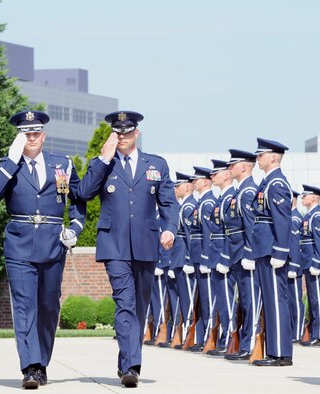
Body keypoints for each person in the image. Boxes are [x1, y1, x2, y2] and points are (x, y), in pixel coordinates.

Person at [0, 110, 86, 389]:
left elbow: (78, 200)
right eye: (25, 133)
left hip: (53, 243)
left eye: (36, 133)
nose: (31, 137)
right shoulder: (7, 165)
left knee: (49, 306)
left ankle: (42, 362)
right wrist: (12, 159)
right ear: (18, 137)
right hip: (19, 244)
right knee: (24, 306)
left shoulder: (61, 164)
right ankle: (30, 366)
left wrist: (74, 228)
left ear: (44, 135)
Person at [77, 111, 178, 388]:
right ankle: (132, 366)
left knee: (139, 307)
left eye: (127, 132)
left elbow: (169, 203)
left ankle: (126, 363)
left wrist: (169, 228)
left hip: (146, 243)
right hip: (114, 245)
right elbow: (84, 193)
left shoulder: (156, 164)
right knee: (125, 303)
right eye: (117, 132)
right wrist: (102, 159)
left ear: (137, 133)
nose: (121, 137)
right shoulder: (104, 164)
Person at [251, 138, 293, 366]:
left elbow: (282, 220)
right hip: (263, 248)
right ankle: (274, 350)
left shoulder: (276, 183)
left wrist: (280, 251)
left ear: (274, 157)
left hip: (271, 250)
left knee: (277, 300)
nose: (258, 158)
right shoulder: (267, 182)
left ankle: (281, 353)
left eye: (261, 155)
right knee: (270, 300)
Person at [221, 149, 259, 361]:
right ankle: (245, 341)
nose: (229, 168)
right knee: (244, 300)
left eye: (232, 165)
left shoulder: (247, 191)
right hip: (237, 254)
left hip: (245, 254)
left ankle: (251, 343)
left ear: (243, 166)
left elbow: (251, 226)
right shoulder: (240, 191)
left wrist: (250, 254)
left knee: (250, 300)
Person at [205, 159, 237, 356]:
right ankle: (226, 336)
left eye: (216, 173)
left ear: (226, 175)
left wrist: (225, 258)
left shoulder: (230, 198)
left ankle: (231, 338)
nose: (212, 177)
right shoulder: (221, 198)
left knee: (228, 301)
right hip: (216, 257)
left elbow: (230, 233)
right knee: (222, 301)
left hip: (225, 258)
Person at [187, 166, 216, 352]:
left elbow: (209, 233)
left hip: (205, 257)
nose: (193, 183)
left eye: (196, 180)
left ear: (205, 181)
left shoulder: (207, 202)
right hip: (198, 257)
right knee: (202, 300)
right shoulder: (202, 202)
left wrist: (205, 258)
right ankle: (204, 335)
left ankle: (208, 336)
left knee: (208, 299)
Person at [169, 172, 197, 350]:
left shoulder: (188, 207)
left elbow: (189, 237)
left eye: (177, 186)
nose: (174, 189)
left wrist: (187, 260)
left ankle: (190, 334)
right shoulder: (183, 206)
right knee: (183, 298)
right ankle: (186, 333)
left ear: (186, 187)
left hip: (184, 260)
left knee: (188, 300)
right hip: (178, 259)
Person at [299, 185, 320, 347]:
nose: (303, 198)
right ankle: (315, 332)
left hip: (314, 263)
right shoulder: (309, 215)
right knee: (312, 298)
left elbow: (319, 241)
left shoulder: (317, 216)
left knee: (317, 299)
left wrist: (316, 262)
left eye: (306, 196)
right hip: (307, 262)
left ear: (314, 198)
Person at [286, 190, 305, 343]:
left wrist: (293, 266)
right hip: (289, 265)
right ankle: (292, 330)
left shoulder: (294, 218)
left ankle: (297, 332)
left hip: (294, 265)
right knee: (289, 300)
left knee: (295, 300)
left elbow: (295, 245)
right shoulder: (290, 217)